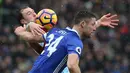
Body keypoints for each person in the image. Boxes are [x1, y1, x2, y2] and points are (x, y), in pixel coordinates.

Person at [16, 10, 119, 73]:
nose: (94, 28)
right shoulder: (75, 41)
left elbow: (30, 38)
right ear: (82, 24)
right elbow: (72, 65)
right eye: (93, 24)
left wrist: (21, 31)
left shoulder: (56, 32)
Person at [14, 6, 70, 73]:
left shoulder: (44, 25)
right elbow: (18, 31)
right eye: (29, 13)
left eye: (34, 11)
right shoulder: (27, 33)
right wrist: (29, 25)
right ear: (23, 21)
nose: (35, 14)